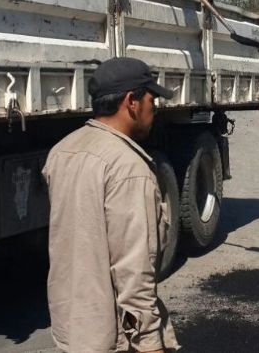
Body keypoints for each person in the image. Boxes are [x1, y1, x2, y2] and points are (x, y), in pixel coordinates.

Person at [42, 58, 179, 352]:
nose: (154, 109)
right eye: (151, 100)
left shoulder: (62, 151)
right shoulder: (129, 168)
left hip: (72, 327)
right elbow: (135, 270)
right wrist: (150, 343)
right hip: (112, 336)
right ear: (132, 102)